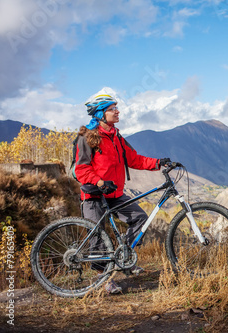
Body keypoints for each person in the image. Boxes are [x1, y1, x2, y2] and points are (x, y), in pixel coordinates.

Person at [74, 93, 170, 294]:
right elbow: (81, 169)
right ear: (101, 113)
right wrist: (99, 181)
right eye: (112, 108)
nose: (117, 111)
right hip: (94, 195)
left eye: (116, 107)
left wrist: (158, 163)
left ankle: (124, 256)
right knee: (99, 237)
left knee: (140, 219)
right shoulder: (87, 137)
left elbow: (134, 159)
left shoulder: (116, 137)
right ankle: (103, 280)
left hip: (115, 193)